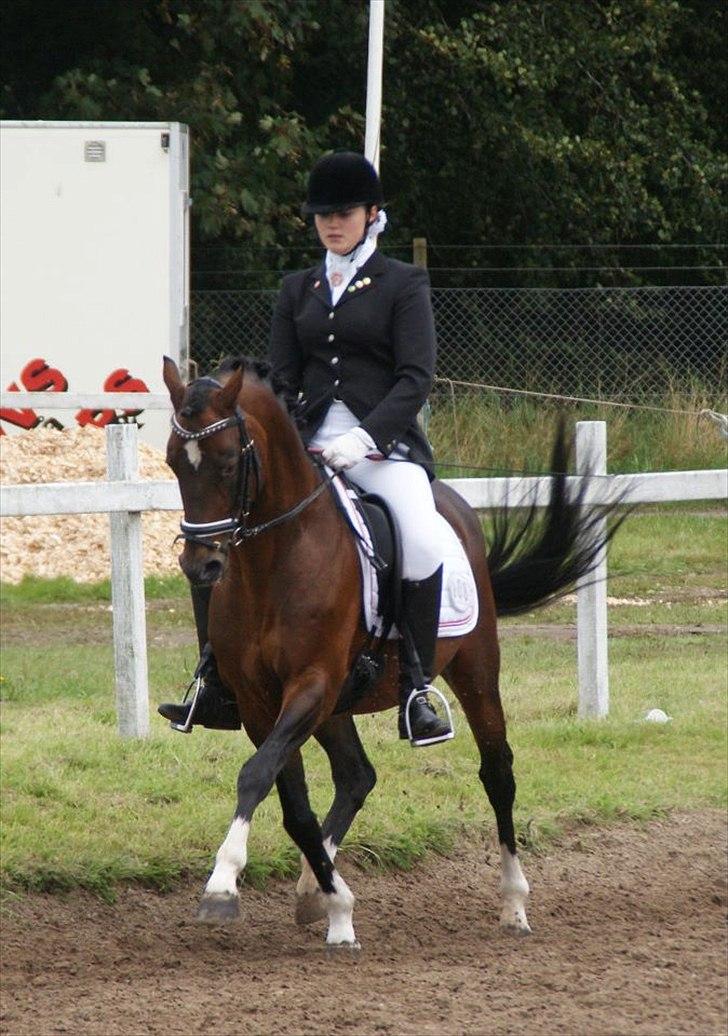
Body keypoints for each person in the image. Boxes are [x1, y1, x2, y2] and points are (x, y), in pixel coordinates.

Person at [160, 151, 452, 746]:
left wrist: (365, 439)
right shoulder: (299, 288)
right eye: (322, 216)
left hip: (383, 448)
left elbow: (415, 378)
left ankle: (416, 689)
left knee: (420, 540)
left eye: (343, 213)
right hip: (308, 446)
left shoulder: (403, 283)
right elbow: (282, 378)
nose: (331, 224)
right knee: (222, 536)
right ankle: (215, 679)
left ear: (372, 214)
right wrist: (298, 440)